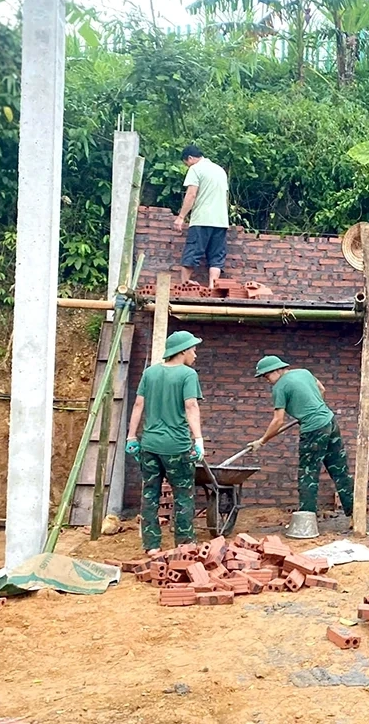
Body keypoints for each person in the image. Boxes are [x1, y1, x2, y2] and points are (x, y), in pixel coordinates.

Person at [248, 355, 354, 539]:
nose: (266, 380)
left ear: (276, 370)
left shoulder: (280, 387)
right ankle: (355, 516)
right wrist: (311, 408)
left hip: (313, 429)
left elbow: (278, 420)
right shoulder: (304, 373)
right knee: (340, 470)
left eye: (266, 376)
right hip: (330, 421)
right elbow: (322, 389)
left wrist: (262, 440)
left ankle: (307, 525)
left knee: (308, 474)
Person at [125, 330, 205, 554]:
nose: (195, 354)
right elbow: (191, 406)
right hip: (177, 447)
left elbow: (138, 405)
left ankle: (151, 546)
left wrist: (132, 436)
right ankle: (185, 544)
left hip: (149, 446)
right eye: (193, 349)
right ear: (182, 351)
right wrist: (198, 439)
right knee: (183, 495)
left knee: (150, 494)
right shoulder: (188, 375)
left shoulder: (150, 373)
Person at [176, 145, 230, 289]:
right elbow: (225, 198)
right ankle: (212, 287)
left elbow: (191, 194)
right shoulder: (220, 171)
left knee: (193, 251)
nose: (187, 166)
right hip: (221, 221)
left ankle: (184, 285)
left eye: (186, 163)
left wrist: (181, 217)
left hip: (202, 219)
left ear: (190, 158)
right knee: (216, 256)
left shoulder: (195, 169)